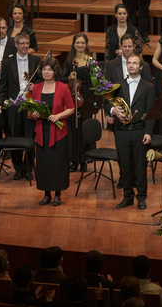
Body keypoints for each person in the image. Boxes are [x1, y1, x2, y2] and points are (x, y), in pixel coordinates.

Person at [106, 54, 155, 210]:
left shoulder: (148, 87)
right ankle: (128, 197)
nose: (131, 65)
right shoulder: (118, 85)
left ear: (141, 67)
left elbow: (150, 112)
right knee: (125, 166)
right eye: (129, 63)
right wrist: (113, 110)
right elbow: (106, 103)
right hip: (121, 131)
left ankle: (141, 197)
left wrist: (149, 132)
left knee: (140, 166)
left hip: (139, 131)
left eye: (135, 63)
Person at [0, 31, 41, 181]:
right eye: (22, 43)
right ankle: (18, 169)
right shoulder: (8, 62)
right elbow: (3, 85)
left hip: (29, 104)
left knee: (29, 136)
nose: (25, 46)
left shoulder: (36, 61)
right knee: (14, 136)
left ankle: (29, 168)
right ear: (16, 45)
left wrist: (35, 86)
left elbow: (42, 81)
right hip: (14, 105)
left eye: (27, 43)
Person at [31, 56, 75, 206]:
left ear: (55, 71)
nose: (46, 72)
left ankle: (57, 194)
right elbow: (32, 110)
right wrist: (34, 114)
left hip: (58, 132)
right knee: (44, 164)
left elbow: (71, 108)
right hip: (41, 131)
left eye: (49, 69)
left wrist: (58, 116)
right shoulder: (36, 88)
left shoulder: (63, 87)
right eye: (44, 69)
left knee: (58, 164)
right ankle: (46, 194)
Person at [61, 32, 94, 172]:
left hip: (85, 99)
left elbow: (94, 81)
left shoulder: (91, 61)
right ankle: (73, 161)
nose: (80, 45)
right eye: (77, 43)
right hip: (71, 99)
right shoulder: (69, 61)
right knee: (73, 130)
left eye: (82, 43)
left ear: (86, 45)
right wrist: (68, 77)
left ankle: (84, 160)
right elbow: (60, 79)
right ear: (73, 44)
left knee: (83, 129)